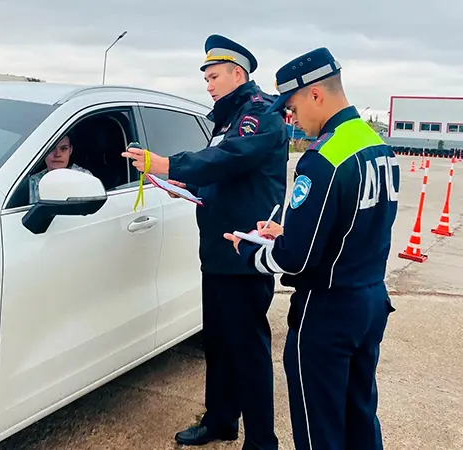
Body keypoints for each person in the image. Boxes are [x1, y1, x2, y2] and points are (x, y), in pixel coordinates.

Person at [223, 47, 399, 450]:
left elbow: (295, 259)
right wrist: (290, 228)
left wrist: (251, 250)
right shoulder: (377, 146)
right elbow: (353, 228)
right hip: (370, 300)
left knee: (319, 427)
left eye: (293, 106)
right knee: (360, 416)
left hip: (328, 311)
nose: (292, 118)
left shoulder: (323, 158)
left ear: (315, 94)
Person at [122, 34, 288, 450]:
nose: (208, 85)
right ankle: (220, 420)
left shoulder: (259, 114)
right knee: (218, 340)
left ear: (238, 73)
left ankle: (261, 441)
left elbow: (231, 158)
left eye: (214, 76)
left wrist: (168, 162)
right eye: (207, 78)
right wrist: (182, 182)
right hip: (217, 248)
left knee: (248, 349)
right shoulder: (228, 116)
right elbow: (222, 175)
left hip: (245, 250)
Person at [28, 134, 92, 202]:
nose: (57, 154)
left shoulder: (84, 177)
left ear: (70, 150)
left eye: (63, 149)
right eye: (51, 148)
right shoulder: (33, 180)